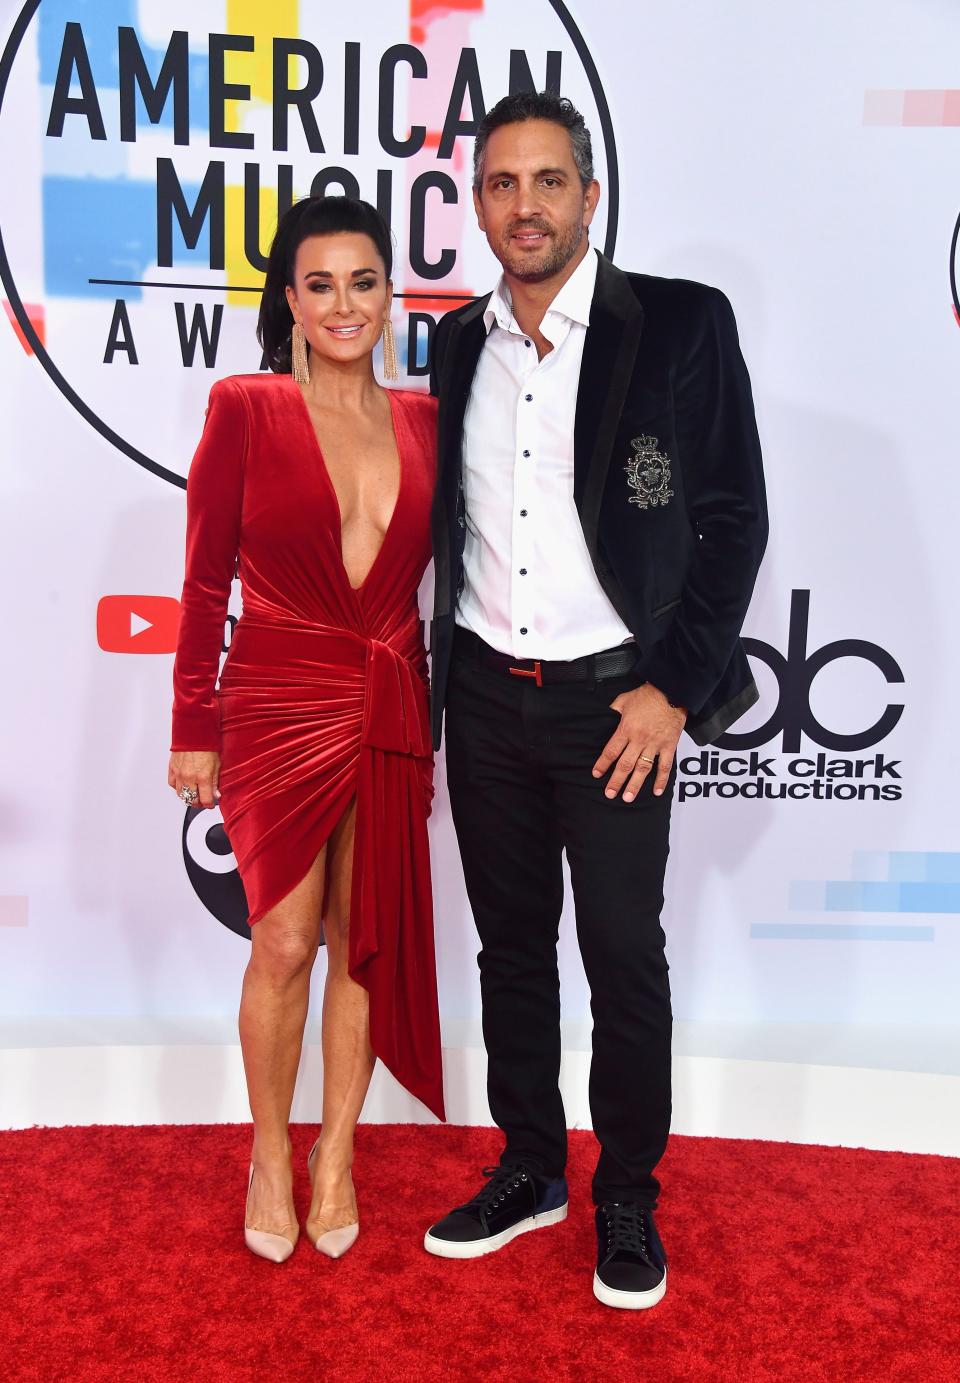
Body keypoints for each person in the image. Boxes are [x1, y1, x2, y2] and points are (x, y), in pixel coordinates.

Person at [423, 92, 766, 1309]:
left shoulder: (675, 325)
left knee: (623, 956)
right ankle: (531, 1166)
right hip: (483, 695)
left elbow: (733, 521)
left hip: (619, 708)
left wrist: (671, 687)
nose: (526, 205)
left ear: (589, 195)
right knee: (510, 950)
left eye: (548, 181)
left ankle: (626, 1189)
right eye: (503, 184)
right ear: (478, 204)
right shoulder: (459, 342)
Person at [169, 195, 444, 1265]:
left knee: (360, 945)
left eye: (363, 282)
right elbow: (200, 586)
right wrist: (195, 724)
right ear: (289, 299)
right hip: (278, 698)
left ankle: (337, 1155)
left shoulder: (426, 420)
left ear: (390, 295)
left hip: (388, 701)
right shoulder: (246, 407)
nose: (344, 304)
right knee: (283, 939)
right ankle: (268, 1154)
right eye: (319, 284)